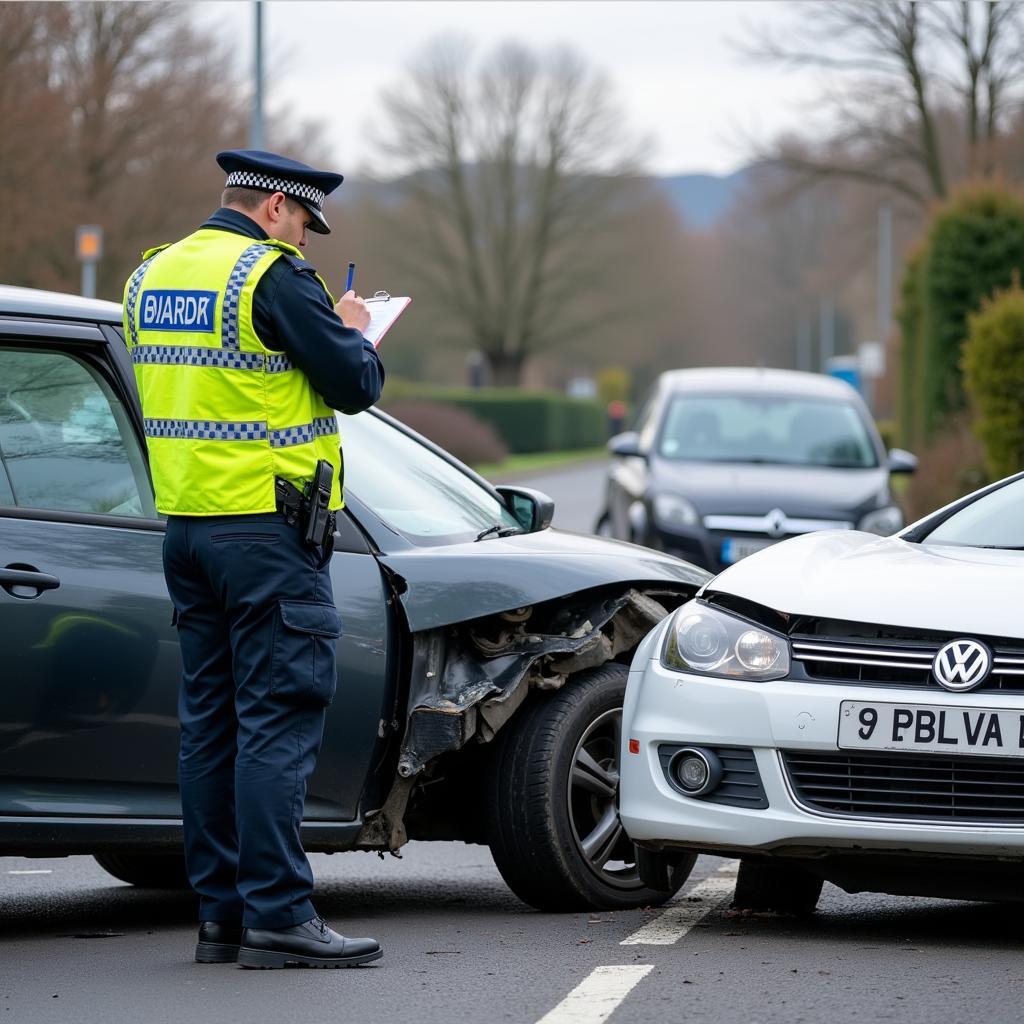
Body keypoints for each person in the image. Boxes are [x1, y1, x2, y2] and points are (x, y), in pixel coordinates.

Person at [122, 149, 385, 969]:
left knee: (211, 728)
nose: (304, 242)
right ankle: (280, 913)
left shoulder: (151, 275)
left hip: (188, 531)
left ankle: (222, 917)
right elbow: (354, 384)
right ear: (275, 206)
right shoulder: (269, 275)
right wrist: (352, 328)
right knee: (278, 721)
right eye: (303, 223)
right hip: (267, 539)